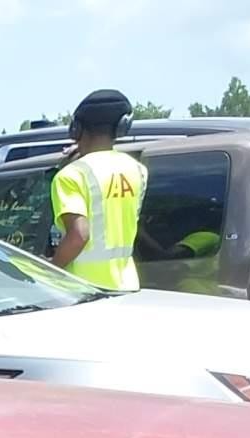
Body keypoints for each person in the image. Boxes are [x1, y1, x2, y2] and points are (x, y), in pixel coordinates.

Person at [50, 90, 146, 291]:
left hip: (85, 289)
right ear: (121, 127)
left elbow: (79, 235)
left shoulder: (72, 176)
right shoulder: (138, 170)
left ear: (76, 128)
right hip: (127, 285)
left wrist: (49, 270)